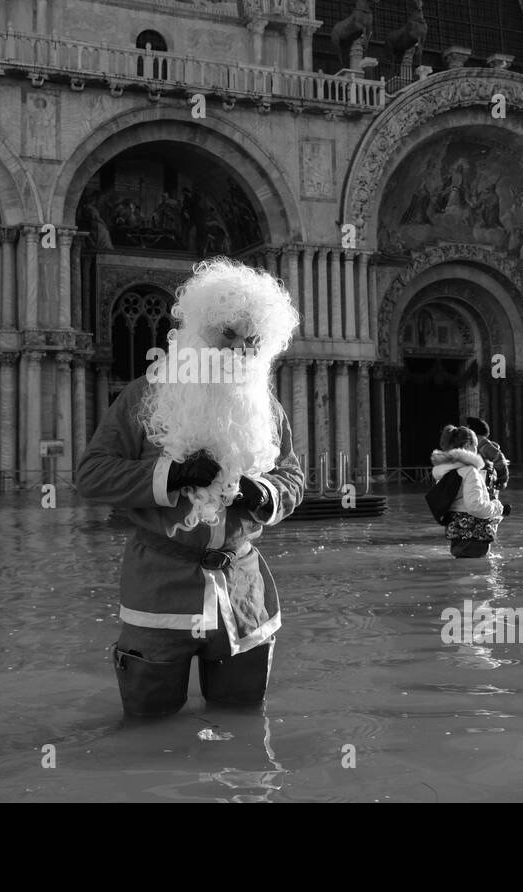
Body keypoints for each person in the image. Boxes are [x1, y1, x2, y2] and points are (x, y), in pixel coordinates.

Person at [75, 258, 304, 718]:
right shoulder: (143, 395)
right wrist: (172, 474)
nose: (239, 350)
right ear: (199, 332)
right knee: (147, 727)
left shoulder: (267, 408)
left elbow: (293, 477)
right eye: (228, 335)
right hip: (158, 591)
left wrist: (262, 493)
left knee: (241, 722)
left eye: (252, 341)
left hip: (243, 596)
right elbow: (91, 475)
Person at [431, 425, 507, 559]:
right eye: (475, 446)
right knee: (480, 577)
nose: (477, 451)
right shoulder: (470, 472)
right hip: (475, 538)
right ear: (468, 445)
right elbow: (475, 506)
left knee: (460, 574)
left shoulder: (445, 471)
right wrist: (498, 507)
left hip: (457, 538)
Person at [466, 416, 509, 496]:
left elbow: (499, 460)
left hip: (485, 485)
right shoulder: (471, 444)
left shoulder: (485, 446)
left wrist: (502, 480)